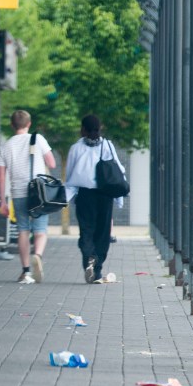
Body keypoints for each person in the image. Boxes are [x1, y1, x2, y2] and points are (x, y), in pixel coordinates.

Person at [63, 114, 126, 283]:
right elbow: (118, 169)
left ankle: (89, 258)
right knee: (103, 233)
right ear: (100, 129)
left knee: (86, 230)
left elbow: (69, 175)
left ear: (82, 129)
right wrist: (120, 197)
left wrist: (66, 197)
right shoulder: (107, 145)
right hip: (105, 195)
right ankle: (97, 270)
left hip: (85, 195)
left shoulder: (75, 148)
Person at [0, 110, 57, 284]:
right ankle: (37, 255)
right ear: (29, 124)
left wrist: (2, 201)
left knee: (23, 230)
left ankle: (25, 272)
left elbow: (1, 177)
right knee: (40, 230)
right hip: (38, 193)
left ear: (12, 125)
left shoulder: (6, 146)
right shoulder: (38, 139)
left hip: (18, 193)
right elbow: (52, 163)